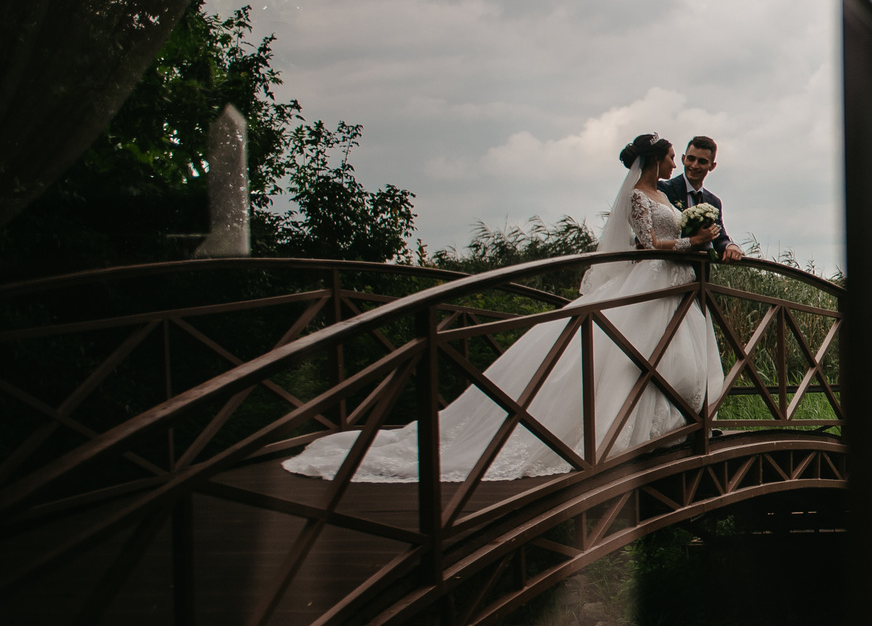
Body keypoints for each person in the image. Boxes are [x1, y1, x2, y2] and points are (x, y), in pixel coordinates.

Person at [283, 133, 726, 482]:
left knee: (670, 360)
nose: (678, 162)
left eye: (686, 158)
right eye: (674, 155)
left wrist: (712, 244)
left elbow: (698, 236)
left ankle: (669, 429)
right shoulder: (638, 196)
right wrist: (693, 241)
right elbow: (648, 243)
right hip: (649, 284)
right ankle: (613, 436)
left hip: (674, 288)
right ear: (657, 159)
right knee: (629, 359)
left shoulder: (673, 196)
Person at [661, 134, 743, 262]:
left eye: (702, 161)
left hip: (700, 274)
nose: (694, 165)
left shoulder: (713, 201)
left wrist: (730, 246)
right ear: (683, 159)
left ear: (712, 166)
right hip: (669, 265)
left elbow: (719, 236)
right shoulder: (664, 189)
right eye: (691, 159)